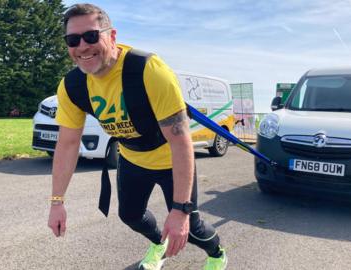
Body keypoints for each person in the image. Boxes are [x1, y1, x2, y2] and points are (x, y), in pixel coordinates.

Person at [47, 3, 227, 270]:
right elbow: (68, 144)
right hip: (132, 158)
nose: (82, 46)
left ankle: (217, 254)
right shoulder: (72, 86)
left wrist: (179, 211)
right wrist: (56, 202)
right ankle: (158, 245)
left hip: (171, 160)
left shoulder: (148, 70)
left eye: (92, 36)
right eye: (73, 40)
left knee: (192, 228)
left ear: (112, 35)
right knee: (130, 215)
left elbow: (180, 141)